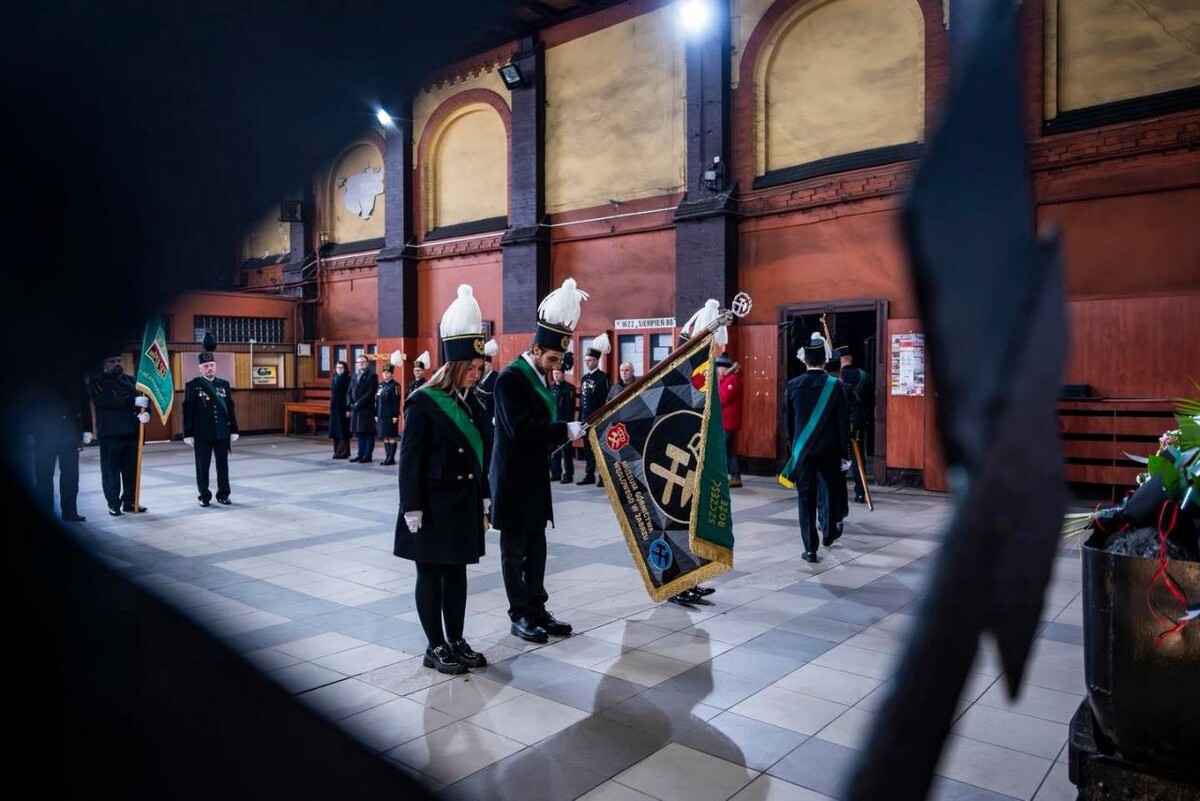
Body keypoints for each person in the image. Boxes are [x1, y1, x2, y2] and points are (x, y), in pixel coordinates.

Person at [395, 284, 492, 675]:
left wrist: (484, 494)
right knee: (431, 574)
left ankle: (456, 638)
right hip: (431, 506)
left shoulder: (474, 403)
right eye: (471, 368)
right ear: (454, 366)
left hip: (462, 502)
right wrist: (411, 506)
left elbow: (479, 456)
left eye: (480, 369)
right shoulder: (424, 402)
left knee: (457, 573)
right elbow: (410, 460)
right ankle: (434, 645)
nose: (476, 374)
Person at [491, 278, 587, 643]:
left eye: (558, 361)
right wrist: (564, 430)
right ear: (535, 349)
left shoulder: (539, 378)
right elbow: (520, 430)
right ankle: (519, 614)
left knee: (537, 547)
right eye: (551, 360)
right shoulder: (509, 380)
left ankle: (537, 608)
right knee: (514, 552)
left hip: (533, 477)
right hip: (512, 480)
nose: (555, 366)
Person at [783, 334, 850, 563]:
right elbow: (843, 423)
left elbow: (788, 424)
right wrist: (845, 453)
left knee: (806, 498)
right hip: (830, 450)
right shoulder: (836, 386)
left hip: (804, 452)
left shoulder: (793, 386)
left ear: (805, 361)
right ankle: (829, 533)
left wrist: (792, 449)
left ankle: (810, 548)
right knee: (830, 491)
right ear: (825, 360)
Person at [89, 354, 150, 515]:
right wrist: (131, 402)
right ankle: (113, 503)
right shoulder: (97, 382)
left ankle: (130, 501)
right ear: (104, 363)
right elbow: (105, 401)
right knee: (111, 472)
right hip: (111, 434)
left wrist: (146, 414)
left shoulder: (132, 381)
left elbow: (144, 400)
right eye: (112, 361)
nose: (117, 363)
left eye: (118, 360)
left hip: (132, 432)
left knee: (131, 471)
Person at [183, 344, 239, 508]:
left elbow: (230, 408)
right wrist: (188, 432)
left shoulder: (224, 384)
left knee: (223, 466)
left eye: (212, 365)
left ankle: (223, 494)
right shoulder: (193, 385)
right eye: (206, 366)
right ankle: (204, 496)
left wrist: (233, 429)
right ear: (200, 368)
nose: (210, 368)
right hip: (202, 433)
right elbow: (188, 410)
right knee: (203, 466)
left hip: (221, 432)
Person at [31, 372, 93, 522]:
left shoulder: (75, 374)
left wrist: (87, 428)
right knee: (44, 475)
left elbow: (84, 402)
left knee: (71, 476)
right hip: (44, 434)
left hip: (69, 432)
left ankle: (70, 512)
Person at [836, 345, 874, 503]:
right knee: (859, 457)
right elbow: (871, 400)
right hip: (859, 421)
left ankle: (838, 491)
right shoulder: (864, 375)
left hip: (841, 422)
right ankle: (860, 492)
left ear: (841, 360)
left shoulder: (837, 377)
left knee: (840, 456)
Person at [576, 333, 610, 485]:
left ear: (596, 361)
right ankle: (589, 474)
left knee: (599, 449)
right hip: (585, 418)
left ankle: (603, 476)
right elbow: (583, 401)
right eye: (586, 360)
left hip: (598, 419)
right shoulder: (584, 378)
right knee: (587, 448)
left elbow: (606, 400)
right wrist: (580, 419)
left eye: (589, 360)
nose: (587, 363)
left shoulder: (603, 377)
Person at [713, 353, 744, 488]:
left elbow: (722, 399)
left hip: (728, 422)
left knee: (721, 451)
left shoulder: (732, 380)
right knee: (729, 451)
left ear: (725, 368)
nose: (718, 370)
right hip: (725, 422)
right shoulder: (726, 379)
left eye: (719, 368)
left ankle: (719, 477)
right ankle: (736, 477)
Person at [347, 354, 379, 462]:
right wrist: (350, 403)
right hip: (356, 409)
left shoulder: (372, 376)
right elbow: (349, 391)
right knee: (359, 432)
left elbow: (370, 392)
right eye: (359, 362)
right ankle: (360, 454)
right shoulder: (354, 376)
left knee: (368, 432)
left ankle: (368, 455)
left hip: (366, 409)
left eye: (363, 362)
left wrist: (358, 403)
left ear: (367, 363)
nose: (360, 364)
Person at [549, 367, 576, 484]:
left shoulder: (569, 388)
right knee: (554, 449)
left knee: (566, 450)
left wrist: (568, 423)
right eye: (554, 373)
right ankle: (556, 472)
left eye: (558, 373)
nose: (556, 376)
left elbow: (570, 408)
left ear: (563, 374)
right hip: (553, 422)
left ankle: (568, 474)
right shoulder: (551, 388)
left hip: (564, 422)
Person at [376, 363, 400, 465]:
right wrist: (376, 414)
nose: (386, 375)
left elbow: (396, 401)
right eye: (384, 373)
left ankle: (391, 458)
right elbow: (377, 401)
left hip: (390, 415)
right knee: (385, 436)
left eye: (388, 373)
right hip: (381, 414)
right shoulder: (381, 385)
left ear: (392, 374)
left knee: (391, 436)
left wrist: (395, 415)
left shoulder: (395, 385)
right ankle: (387, 457)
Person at [329, 360, 351, 459]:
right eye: (338, 368)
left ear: (345, 369)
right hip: (335, 407)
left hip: (343, 407)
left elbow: (349, 395)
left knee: (342, 430)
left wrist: (348, 409)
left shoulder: (347, 379)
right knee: (335, 430)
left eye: (341, 368)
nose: (339, 369)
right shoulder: (334, 378)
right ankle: (336, 451)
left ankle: (343, 452)